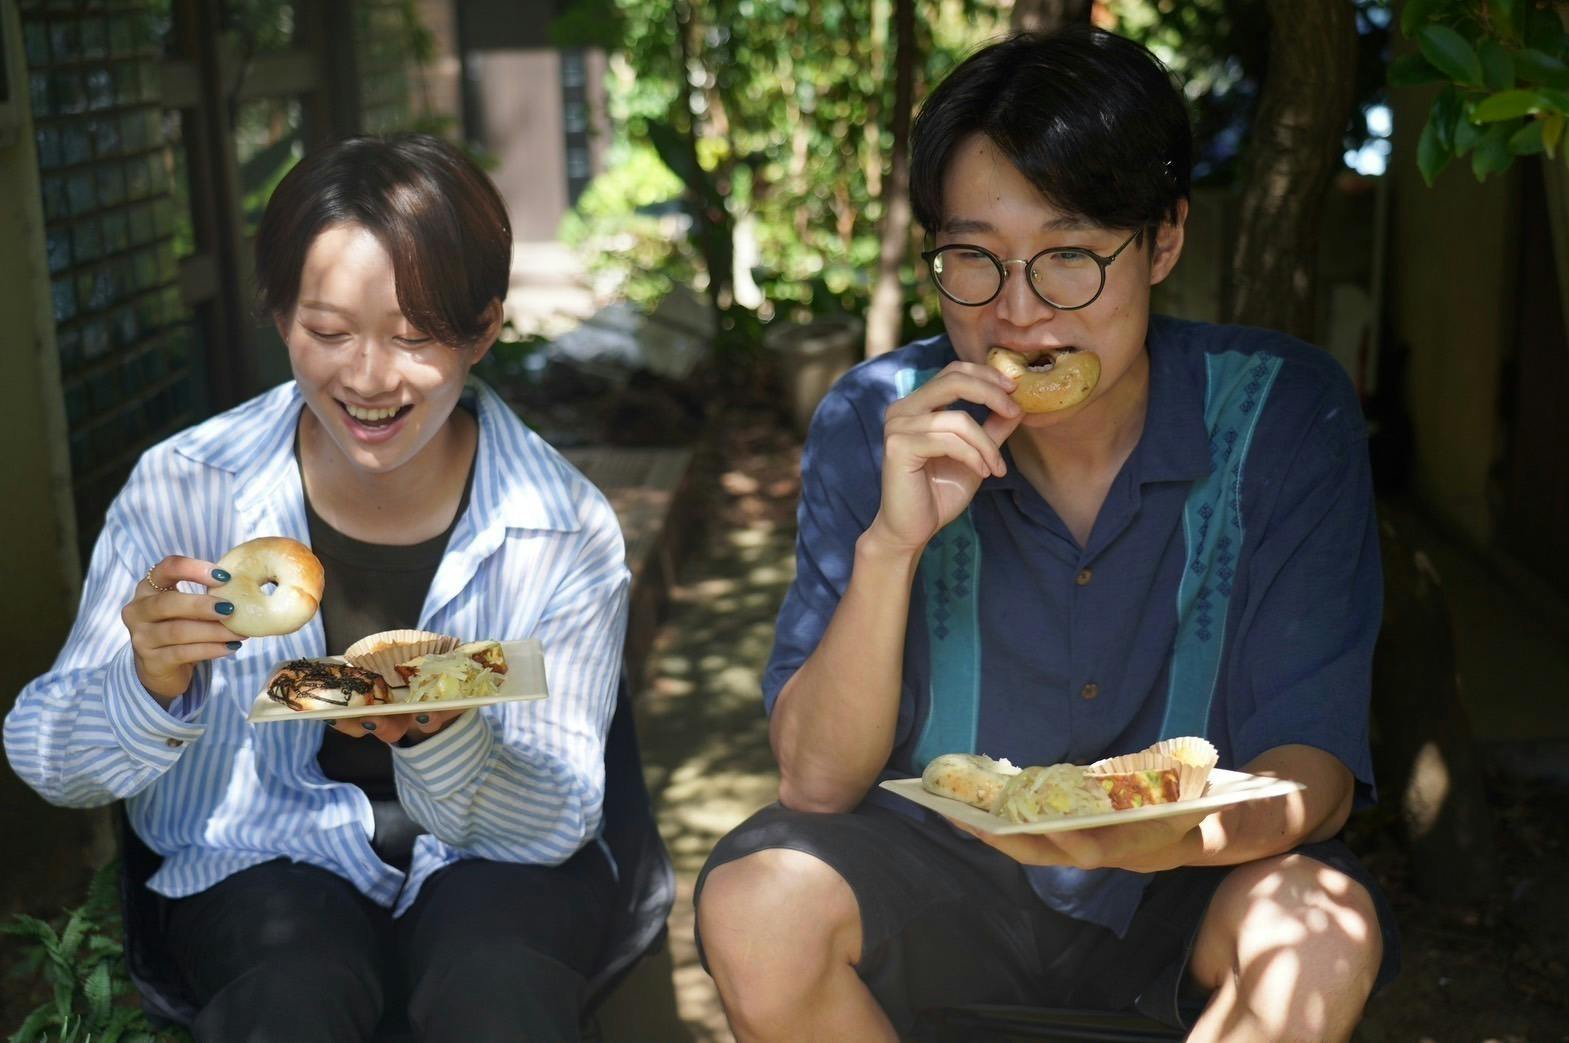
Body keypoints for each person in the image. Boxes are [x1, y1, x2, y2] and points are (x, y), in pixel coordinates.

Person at [695, 26, 1399, 1043]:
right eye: (973, 257)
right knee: (758, 904)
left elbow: (1313, 775)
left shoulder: (1284, 412)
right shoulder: (876, 418)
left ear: (1163, 241)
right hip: (940, 879)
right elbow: (813, 780)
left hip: (1188, 880)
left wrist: (1163, 835)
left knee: (1319, 931)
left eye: (1069, 255)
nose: (1019, 312)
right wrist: (891, 546)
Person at [4, 134, 630, 1041]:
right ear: (278, 313)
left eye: (414, 336)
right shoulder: (187, 489)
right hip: (258, 858)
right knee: (290, 991)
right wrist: (145, 683)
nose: (368, 379)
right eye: (329, 332)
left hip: (493, 859)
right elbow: (47, 760)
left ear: (485, 328)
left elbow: (557, 814)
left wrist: (444, 732)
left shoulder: (560, 525)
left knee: (496, 991)